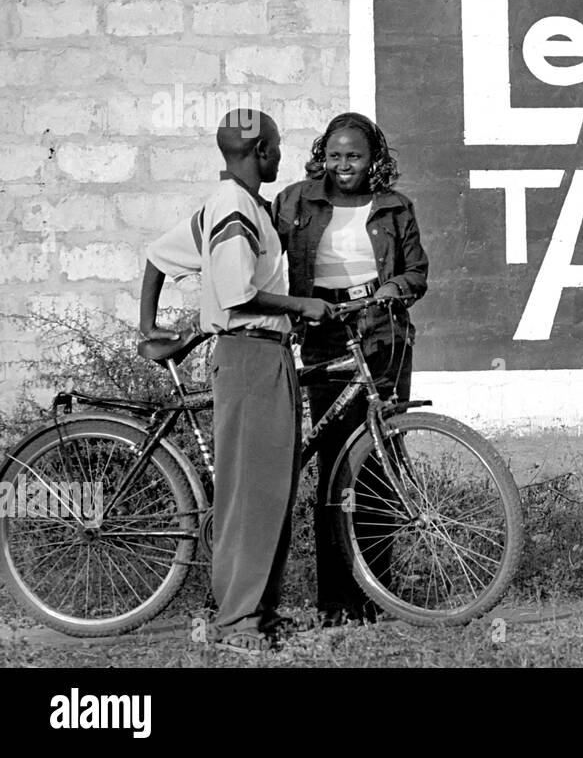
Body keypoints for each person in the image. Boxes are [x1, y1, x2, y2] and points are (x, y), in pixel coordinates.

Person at [138, 109, 334, 654]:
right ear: (262, 152)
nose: (279, 157)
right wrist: (301, 303)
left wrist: (148, 326)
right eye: (276, 148)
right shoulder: (233, 209)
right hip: (250, 357)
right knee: (250, 495)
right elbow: (238, 294)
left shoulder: (236, 207)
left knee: (268, 492)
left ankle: (260, 613)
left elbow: (157, 255)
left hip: (265, 357)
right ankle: (235, 623)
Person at [272, 112, 428, 627]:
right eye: (335, 155)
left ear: (374, 159)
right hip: (323, 331)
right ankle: (336, 600)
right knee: (336, 462)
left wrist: (392, 291)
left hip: (381, 333)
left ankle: (377, 592)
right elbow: (266, 257)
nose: (344, 166)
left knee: (378, 459)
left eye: (355, 156)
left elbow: (415, 273)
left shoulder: (394, 206)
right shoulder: (295, 201)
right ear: (323, 154)